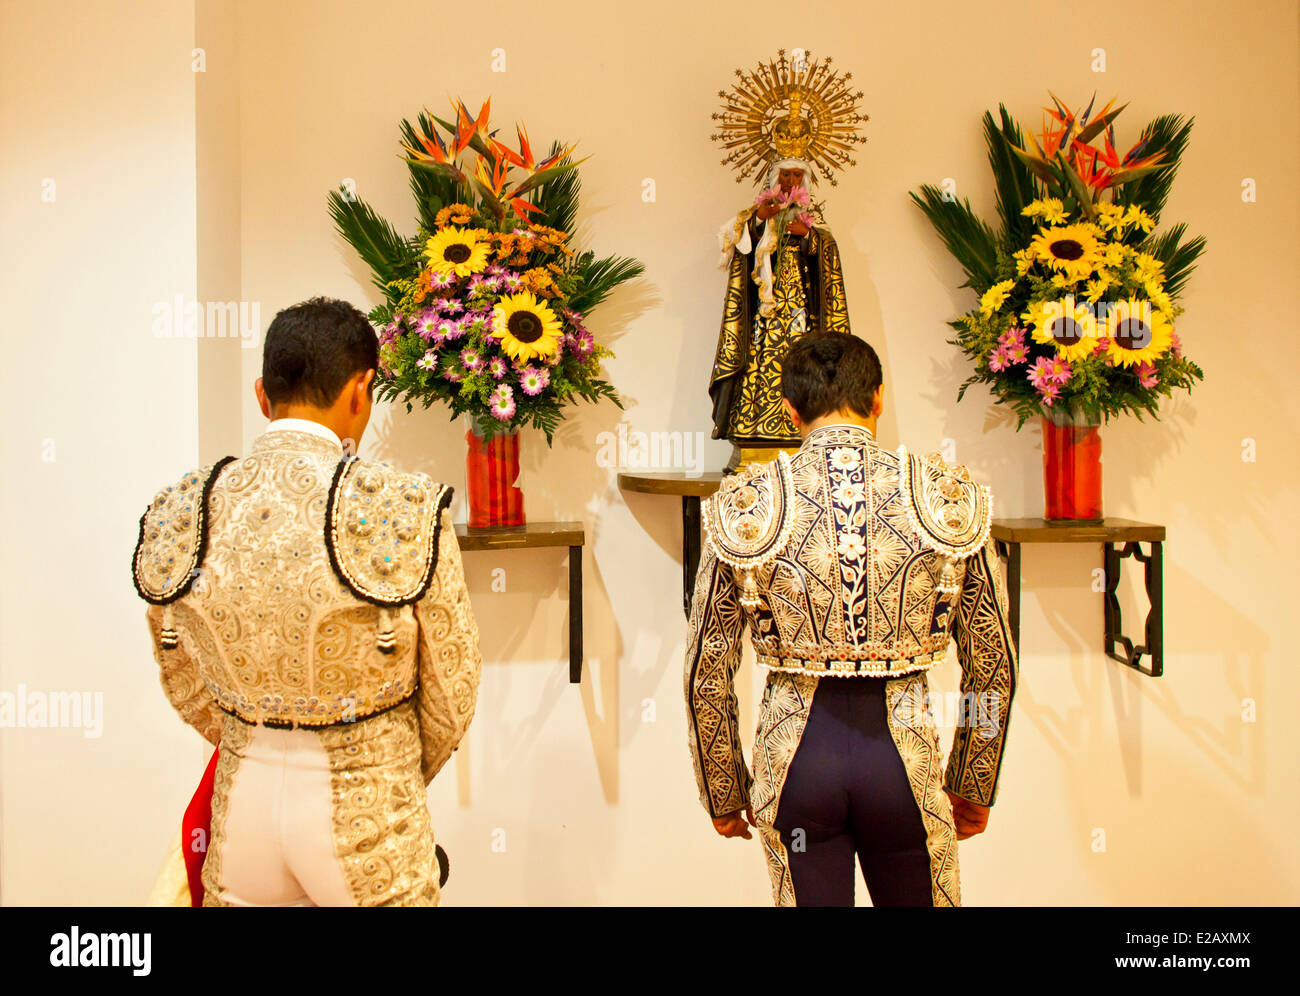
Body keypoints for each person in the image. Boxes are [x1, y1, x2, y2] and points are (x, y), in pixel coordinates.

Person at [132, 296, 481, 906]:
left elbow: (180, 675)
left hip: (242, 804)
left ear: (262, 396)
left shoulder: (182, 509)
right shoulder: (403, 508)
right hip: (368, 802)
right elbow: (452, 690)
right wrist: (389, 766)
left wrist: (251, 735)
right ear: (360, 390)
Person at [684, 333, 1018, 906]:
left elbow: (706, 670)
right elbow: (993, 661)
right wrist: (973, 777)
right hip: (904, 763)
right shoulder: (945, 496)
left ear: (789, 411)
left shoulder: (746, 502)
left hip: (796, 760)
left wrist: (724, 788)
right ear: (879, 398)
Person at [709, 159, 852, 472]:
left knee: (804, 370)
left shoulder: (816, 232)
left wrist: (809, 238)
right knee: (760, 373)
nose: (790, 181)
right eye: (784, 174)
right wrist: (761, 221)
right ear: (774, 178)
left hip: (802, 323)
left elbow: (826, 262)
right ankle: (754, 435)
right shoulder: (758, 219)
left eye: (796, 175)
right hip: (764, 322)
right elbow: (740, 247)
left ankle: (804, 432)